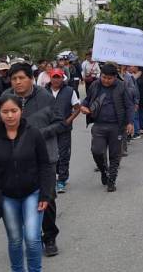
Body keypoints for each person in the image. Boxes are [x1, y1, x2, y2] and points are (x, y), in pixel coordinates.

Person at [0, 94, 53, 272]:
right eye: (5, 112)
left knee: (32, 239)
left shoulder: (33, 134)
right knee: (14, 240)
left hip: (33, 193)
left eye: (14, 111)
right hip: (7, 196)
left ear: (21, 111)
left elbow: (45, 165)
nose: (10, 115)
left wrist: (45, 194)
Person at [0, 63, 65, 258]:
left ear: (31, 79)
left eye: (21, 78)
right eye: (14, 79)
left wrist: (39, 135)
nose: (18, 82)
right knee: (19, 198)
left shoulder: (46, 97)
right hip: (14, 159)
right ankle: (31, 237)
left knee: (46, 197)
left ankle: (49, 237)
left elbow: (60, 123)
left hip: (44, 156)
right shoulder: (5, 99)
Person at [82, 63, 135, 192]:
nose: (106, 80)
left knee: (115, 155)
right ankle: (103, 170)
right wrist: (84, 107)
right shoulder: (95, 85)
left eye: (109, 78)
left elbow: (129, 106)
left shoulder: (121, 87)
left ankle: (112, 180)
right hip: (99, 125)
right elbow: (87, 100)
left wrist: (130, 122)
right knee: (97, 151)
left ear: (115, 77)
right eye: (104, 77)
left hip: (117, 126)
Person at [48, 69, 80, 194]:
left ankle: (61, 179)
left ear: (63, 78)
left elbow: (77, 108)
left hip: (64, 128)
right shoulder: (43, 91)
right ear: (50, 78)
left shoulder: (69, 91)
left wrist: (68, 120)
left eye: (58, 77)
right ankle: (55, 175)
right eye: (54, 77)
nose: (56, 80)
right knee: (51, 154)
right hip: (49, 129)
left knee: (63, 154)